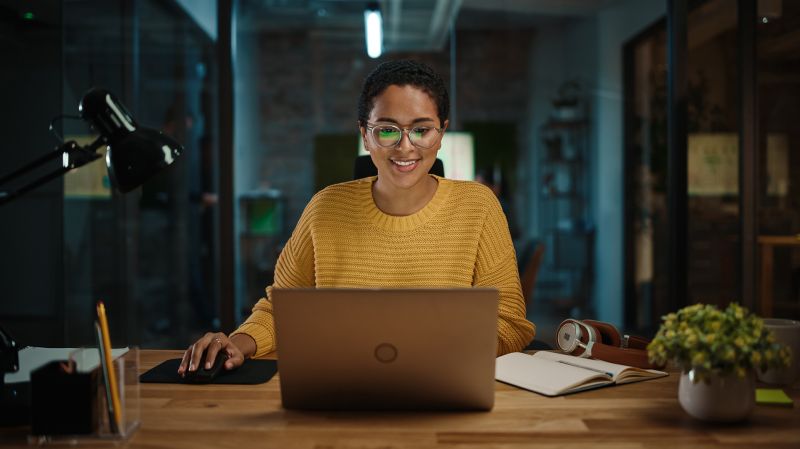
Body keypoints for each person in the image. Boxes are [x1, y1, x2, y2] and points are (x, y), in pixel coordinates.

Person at [178, 59, 536, 376]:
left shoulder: (479, 206)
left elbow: (509, 323)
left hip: (445, 385)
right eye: (387, 129)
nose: (405, 146)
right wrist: (238, 343)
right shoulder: (324, 208)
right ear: (365, 134)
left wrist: (432, 352)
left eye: (422, 130)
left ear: (441, 133)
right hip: (341, 388)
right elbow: (281, 309)